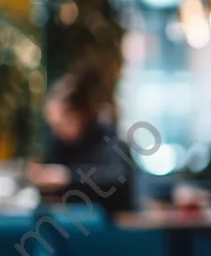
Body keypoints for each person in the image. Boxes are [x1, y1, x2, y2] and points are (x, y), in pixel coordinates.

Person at [26, 66, 135, 214]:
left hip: (110, 226)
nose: (57, 131)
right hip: (70, 226)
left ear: (79, 114)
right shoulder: (60, 144)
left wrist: (68, 176)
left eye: (61, 124)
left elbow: (117, 176)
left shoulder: (108, 138)